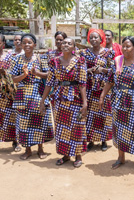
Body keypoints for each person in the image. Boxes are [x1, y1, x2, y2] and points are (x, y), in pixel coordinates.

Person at [99, 36, 134, 173]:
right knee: (120, 129)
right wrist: (102, 96)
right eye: (123, 46)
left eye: (128, 46)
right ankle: (121, 157)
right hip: (119, 102)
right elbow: (110, 81)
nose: (125, 49)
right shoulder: (116, 62)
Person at [40, 37, 88, 168]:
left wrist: (85, 103)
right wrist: (42, 100)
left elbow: (82, 83)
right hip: (59, 98)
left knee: (77, 126)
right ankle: (65, 155)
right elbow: (49, 82)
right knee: (61, 128)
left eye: (69, 43)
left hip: (75, 97)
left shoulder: (80, 61)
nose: (65, 44)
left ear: (74, 47)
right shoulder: (54, 62)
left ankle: (78, 155)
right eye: (64, 43)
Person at [11, 33, 54, 160]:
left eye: (29, 42)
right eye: (24, 42)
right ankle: (28, 150)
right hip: (22, 94)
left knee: (39, 121)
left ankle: (40, 149)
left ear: (34, 44)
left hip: (38, 92)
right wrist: (24, 75)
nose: (26, 45)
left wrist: (37, 73)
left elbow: (48, 75)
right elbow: (14, 79)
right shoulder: (16, 59)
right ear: (21, 45)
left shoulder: (42, 58)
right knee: (24, 123)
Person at [80, 28, 114, 152]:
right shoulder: (84, 53)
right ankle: (91, 140)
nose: (94, 39)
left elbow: (113, 70)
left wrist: (102, 70)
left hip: (103, 88)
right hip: (89, 88)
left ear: (101, 39)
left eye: (96, 37)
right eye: (92, 37)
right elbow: (80, 69)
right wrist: (89, 71)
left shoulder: (108, 53)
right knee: (90, 115)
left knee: (103, 113)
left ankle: (104, 140)